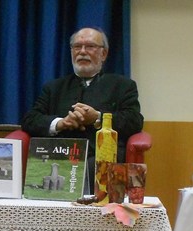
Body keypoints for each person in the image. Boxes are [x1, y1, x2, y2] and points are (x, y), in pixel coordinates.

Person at [21, 27, 144, 193]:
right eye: (77, 47)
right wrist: (61, 123)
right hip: (60, 156)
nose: (83, 52)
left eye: (90, 46)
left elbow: (134, 121)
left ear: (104, 54)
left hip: (101, 159)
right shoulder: (54, 87)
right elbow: (30, 120)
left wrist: (98, 118)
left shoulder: (122, 86)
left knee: (92, 170)